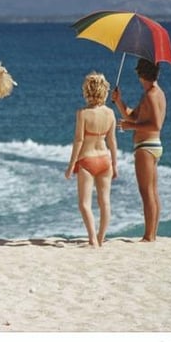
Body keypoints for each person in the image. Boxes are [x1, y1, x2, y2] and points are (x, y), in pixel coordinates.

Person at [112, 58, 167, 242]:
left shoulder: (152, 94)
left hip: (146, 146)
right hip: (152, 145)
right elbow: (132, 115)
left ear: (142, 74)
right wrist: (119, 101)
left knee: (146, 191)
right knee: (152, 190)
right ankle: (152, 233)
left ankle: (149, 236)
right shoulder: (153, 93)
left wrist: (130, 127)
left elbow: (156, 124)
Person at [64, 72, 118, 247]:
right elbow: (112, 141)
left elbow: (79, 140)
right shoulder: (110, 113)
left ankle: (93, 238)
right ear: (104, 91)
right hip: (105, 159)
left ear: (87, 90)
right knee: (105, 202)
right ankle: (101, 237)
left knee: (84, 203)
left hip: (87, 160)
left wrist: (71, 165)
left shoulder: (83, 113)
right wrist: (115, 164)